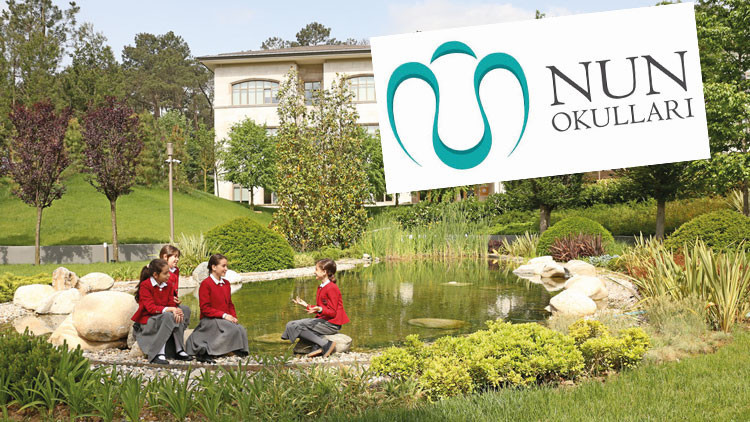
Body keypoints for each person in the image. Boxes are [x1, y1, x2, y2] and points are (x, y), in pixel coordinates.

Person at [185, 254, 249, 363]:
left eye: (226, 266)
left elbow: (230, 304)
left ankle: (236, 349)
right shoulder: (206, 284)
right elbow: (205, 309)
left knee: (241, 329)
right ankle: (206, 351)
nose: (226, 269)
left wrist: (233, 317)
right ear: (214, 267)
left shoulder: (226, 284)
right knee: (232, 330)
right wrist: (224, 315)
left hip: (223, 319)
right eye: (223, 266)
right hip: (209, 319)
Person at [283, 258, 349, 358]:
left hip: (331, 325)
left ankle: (325, 344)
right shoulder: (322, 287)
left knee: (293, 326)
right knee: (292, 325)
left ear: (324, 272)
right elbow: (321, 308)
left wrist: (319, 309)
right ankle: (319, 344)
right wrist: (306, 305)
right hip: (324, 322)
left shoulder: (332, 288)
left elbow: (332, 312)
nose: (314, 272)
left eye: (316, 269)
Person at [131, 259, 193, 364]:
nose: (169, 275)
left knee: (184, 310)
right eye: (165, 273)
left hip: (162, 317)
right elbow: (150, 308)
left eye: (169, 272)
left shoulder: (168, 285)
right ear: (155, 275)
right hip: (149, 319)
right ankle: (158, 353)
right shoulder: (145, 285)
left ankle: (179, 349)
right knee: (168, 315)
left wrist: (176, 310)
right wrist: (171, 309)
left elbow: (170, 303)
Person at [159, 244, 190, 317]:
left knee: (186, 310)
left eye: (178, 257)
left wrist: (175, 299)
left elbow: (174, 290)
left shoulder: (176, 270)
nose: (177, 259)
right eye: (175, 256)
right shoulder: (158, 271)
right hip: (161, 305)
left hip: (171, 303)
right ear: (165, 257)